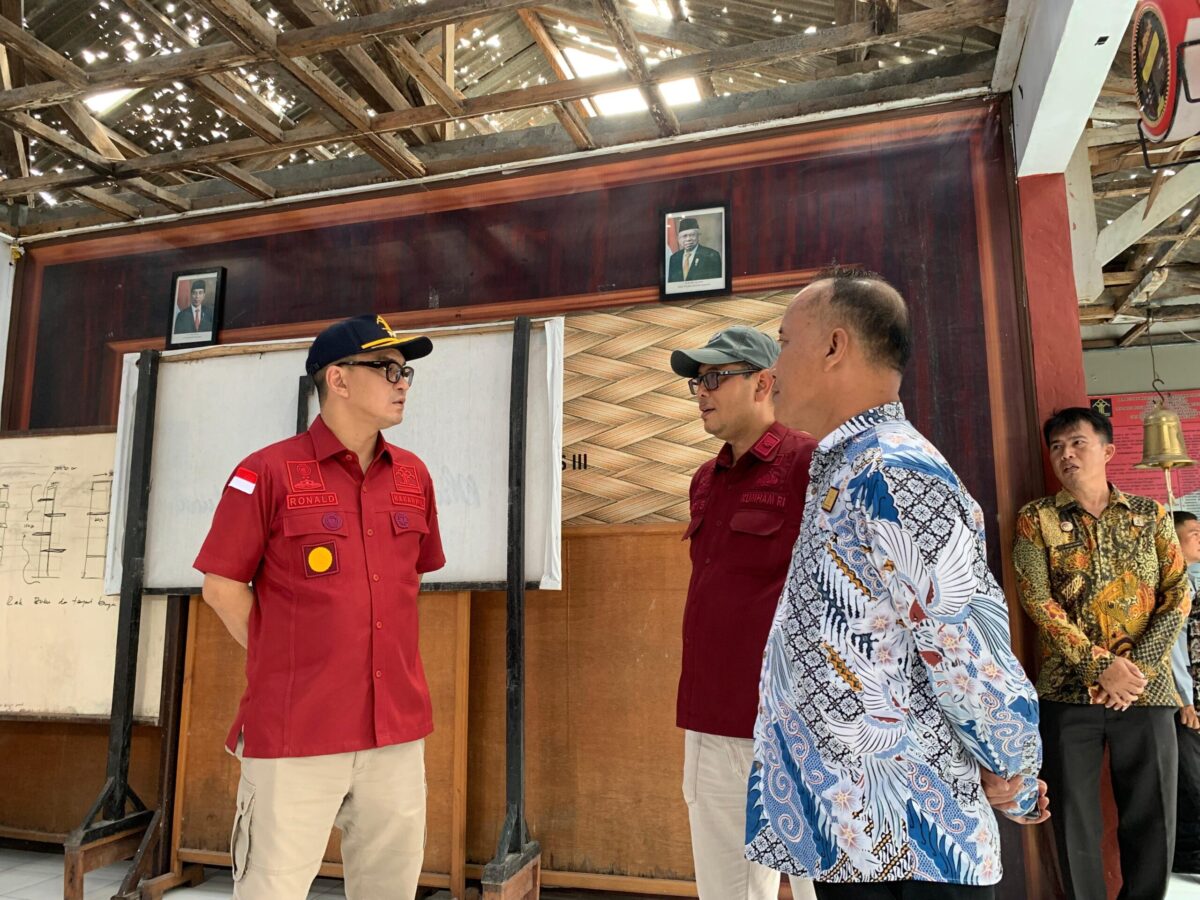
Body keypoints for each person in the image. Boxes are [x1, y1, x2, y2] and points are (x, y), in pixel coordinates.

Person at [747, 266, 1047, 899]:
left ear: (834, 347)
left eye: (783, 340)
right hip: (860, 835)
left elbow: (965, 643)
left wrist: (1014, 768)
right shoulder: (849, 465)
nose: (773, 365)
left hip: (913, 840)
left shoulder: (895, 472)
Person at [194, 314, 444, 899]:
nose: (403, 381)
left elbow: (409, 582)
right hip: (295, 731)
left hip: (396, 736)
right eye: (387, 368)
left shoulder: (414, 476)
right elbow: (221, 587)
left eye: (405, 371)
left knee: (390, 888)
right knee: (272, 889)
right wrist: (287, 661)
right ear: (338, 378)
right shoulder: (266, 472)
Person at [1012, 407, 1190, 900]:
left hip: (1147, 693)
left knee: (1153, 820)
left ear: (1107, 451)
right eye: (1056, 447)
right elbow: (1037, 601)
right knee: (1074, 824)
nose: (1065, 454)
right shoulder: (1035, 520)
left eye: (1077, 443)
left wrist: (1136, 671)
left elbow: (1178, 592)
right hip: (1068, 693)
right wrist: (1100, 667)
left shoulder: (1151, 514)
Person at [669, 326, 818, 900]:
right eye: (695, 382)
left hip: (790, 722)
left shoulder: (810, 464)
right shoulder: (705, 479)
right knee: (727, 890)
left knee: (814, 886)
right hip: (708, 716)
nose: (701, 391)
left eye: (713, 377)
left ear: (763, 382)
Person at [1175, 509, 1200, 874]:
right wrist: (1184, 700)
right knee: (1193, 783)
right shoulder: (1173, 588)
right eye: (1193, 532)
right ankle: (1188, 854)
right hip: (1186, 700)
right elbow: (1172, 648)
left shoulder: (1192, 583)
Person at [667, 216, 722, 282]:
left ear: (698, 236)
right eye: (684, 236)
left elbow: (715, 284)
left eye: (692, 235)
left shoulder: (712, 255)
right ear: (679, 239)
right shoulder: (674, 258)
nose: (688, 239)